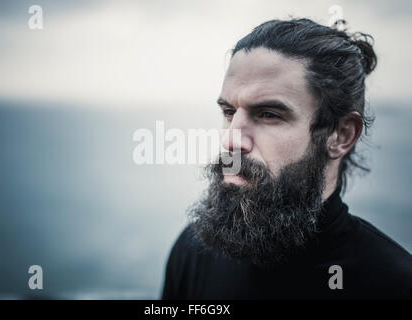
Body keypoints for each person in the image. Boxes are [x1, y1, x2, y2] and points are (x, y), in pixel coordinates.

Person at [161, 18, 412, 299]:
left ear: (341, 135)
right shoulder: (194, 252)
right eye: (229, 112)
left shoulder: (393, 285)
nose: (231, 140)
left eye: (269, 114)